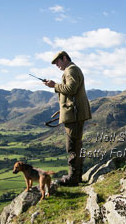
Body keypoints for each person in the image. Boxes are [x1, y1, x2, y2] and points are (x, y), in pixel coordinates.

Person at [44, 51, 92, 186]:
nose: (57, 65)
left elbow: (71, 89)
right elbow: (71, 92)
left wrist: (54, 85)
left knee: (72, 146)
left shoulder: (71, 70)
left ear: (64, 58)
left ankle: (73, 178)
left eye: (57, 62)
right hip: (74, 113)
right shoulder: (72, 70)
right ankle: (77, 175)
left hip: (74, 115)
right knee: (76, 145)